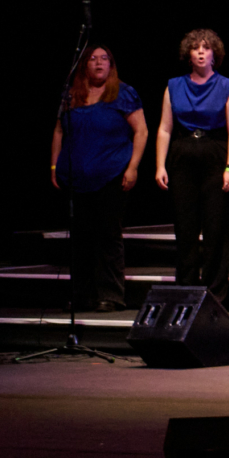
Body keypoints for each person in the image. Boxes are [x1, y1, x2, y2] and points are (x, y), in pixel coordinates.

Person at [49, 46, 145, 312]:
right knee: (80, 238)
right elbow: (59, 131)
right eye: (93, 58)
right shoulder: (71, 95)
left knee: (107, 235)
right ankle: (81, 294)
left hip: (112, 175)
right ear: (84, 66)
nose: (99, 63)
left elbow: (141, 131)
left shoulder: (123, 93)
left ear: (111, 65)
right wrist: (54, 166)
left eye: (104, 58)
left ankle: (111, 295)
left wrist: (133, 167)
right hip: (76, 177)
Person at [154, 29, 229, 293]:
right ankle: (186, 289)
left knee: (216, 226)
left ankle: (215, 292)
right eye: (195, 48)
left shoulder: (228, 86)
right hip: (182, 155)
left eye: (206, 47)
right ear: (188, 55)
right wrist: (160, 165)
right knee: (185, 226)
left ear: (215, 53)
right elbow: (164, 129)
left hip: (215, 153)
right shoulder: (174, 85)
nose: (201, 52)